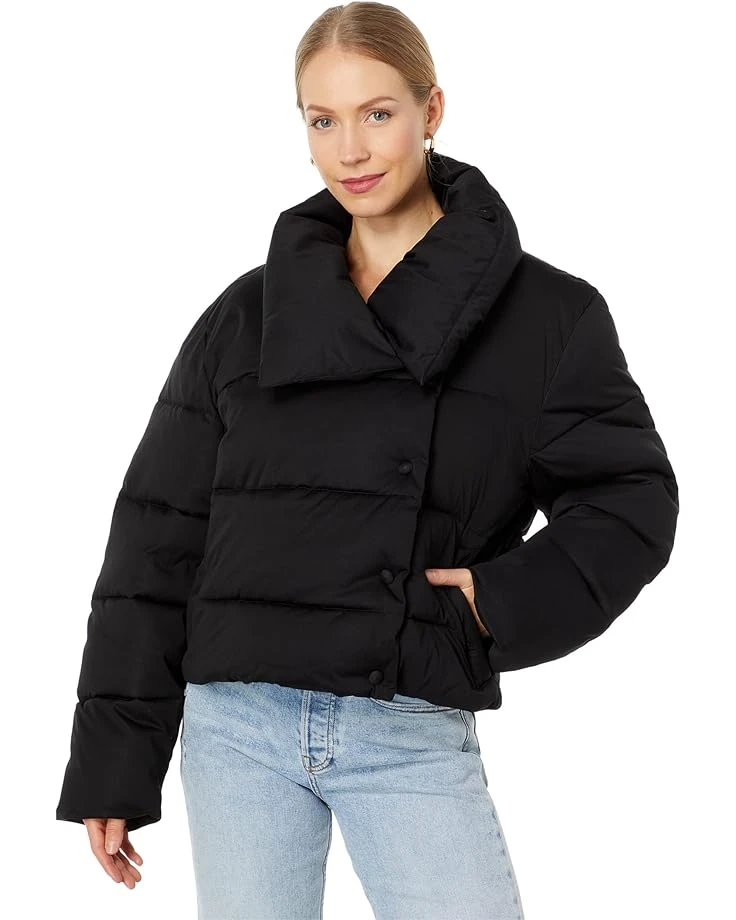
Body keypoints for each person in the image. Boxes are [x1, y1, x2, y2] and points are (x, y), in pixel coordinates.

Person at [55, 3, 679, 918]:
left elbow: (630, 500)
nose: (349, 149)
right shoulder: (246, 315)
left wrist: (493, 603)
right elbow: (157, 538)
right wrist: (116, 761)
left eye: (377, 113)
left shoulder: (548, 316)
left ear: (432, 110)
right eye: (323, 120)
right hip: (237, 727)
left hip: (405, 722)